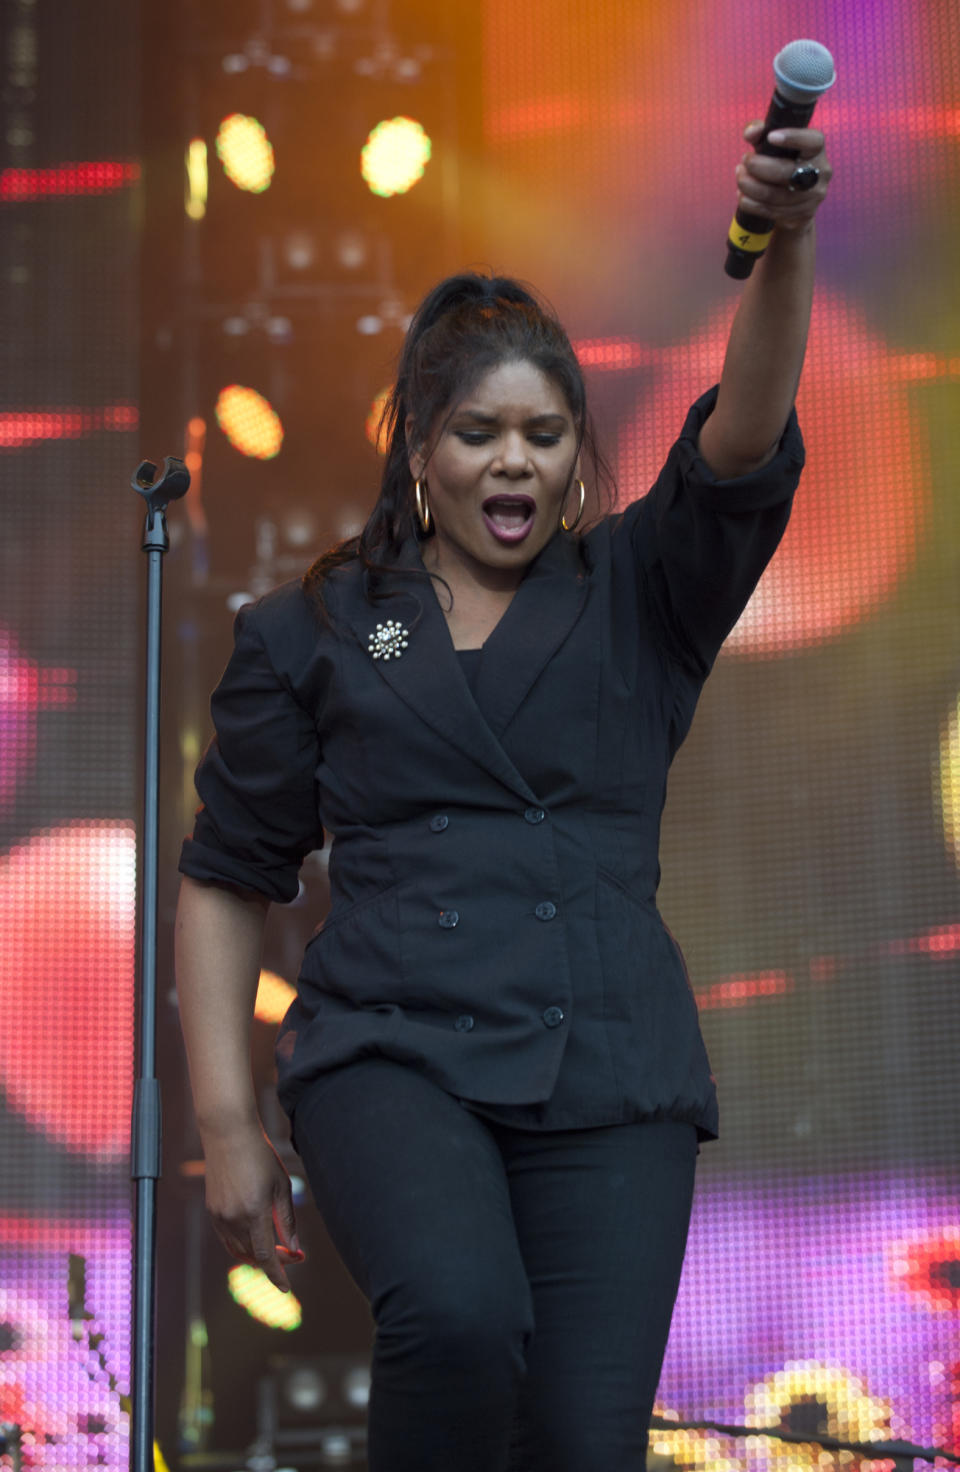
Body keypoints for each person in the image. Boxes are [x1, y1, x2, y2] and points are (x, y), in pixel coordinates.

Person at [175, 120, 832, 1471]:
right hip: (392, 1052)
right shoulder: (326, 626)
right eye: (478, 434)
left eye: (542, 434)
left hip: (610, 1066)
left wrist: (787, 244)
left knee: (584, 1445)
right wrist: (229, 1128)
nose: (513, 463)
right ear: (423, 448)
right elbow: (228, 876)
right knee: (461, 1318)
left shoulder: (637, 594)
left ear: (576, 451)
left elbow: (745, 434)